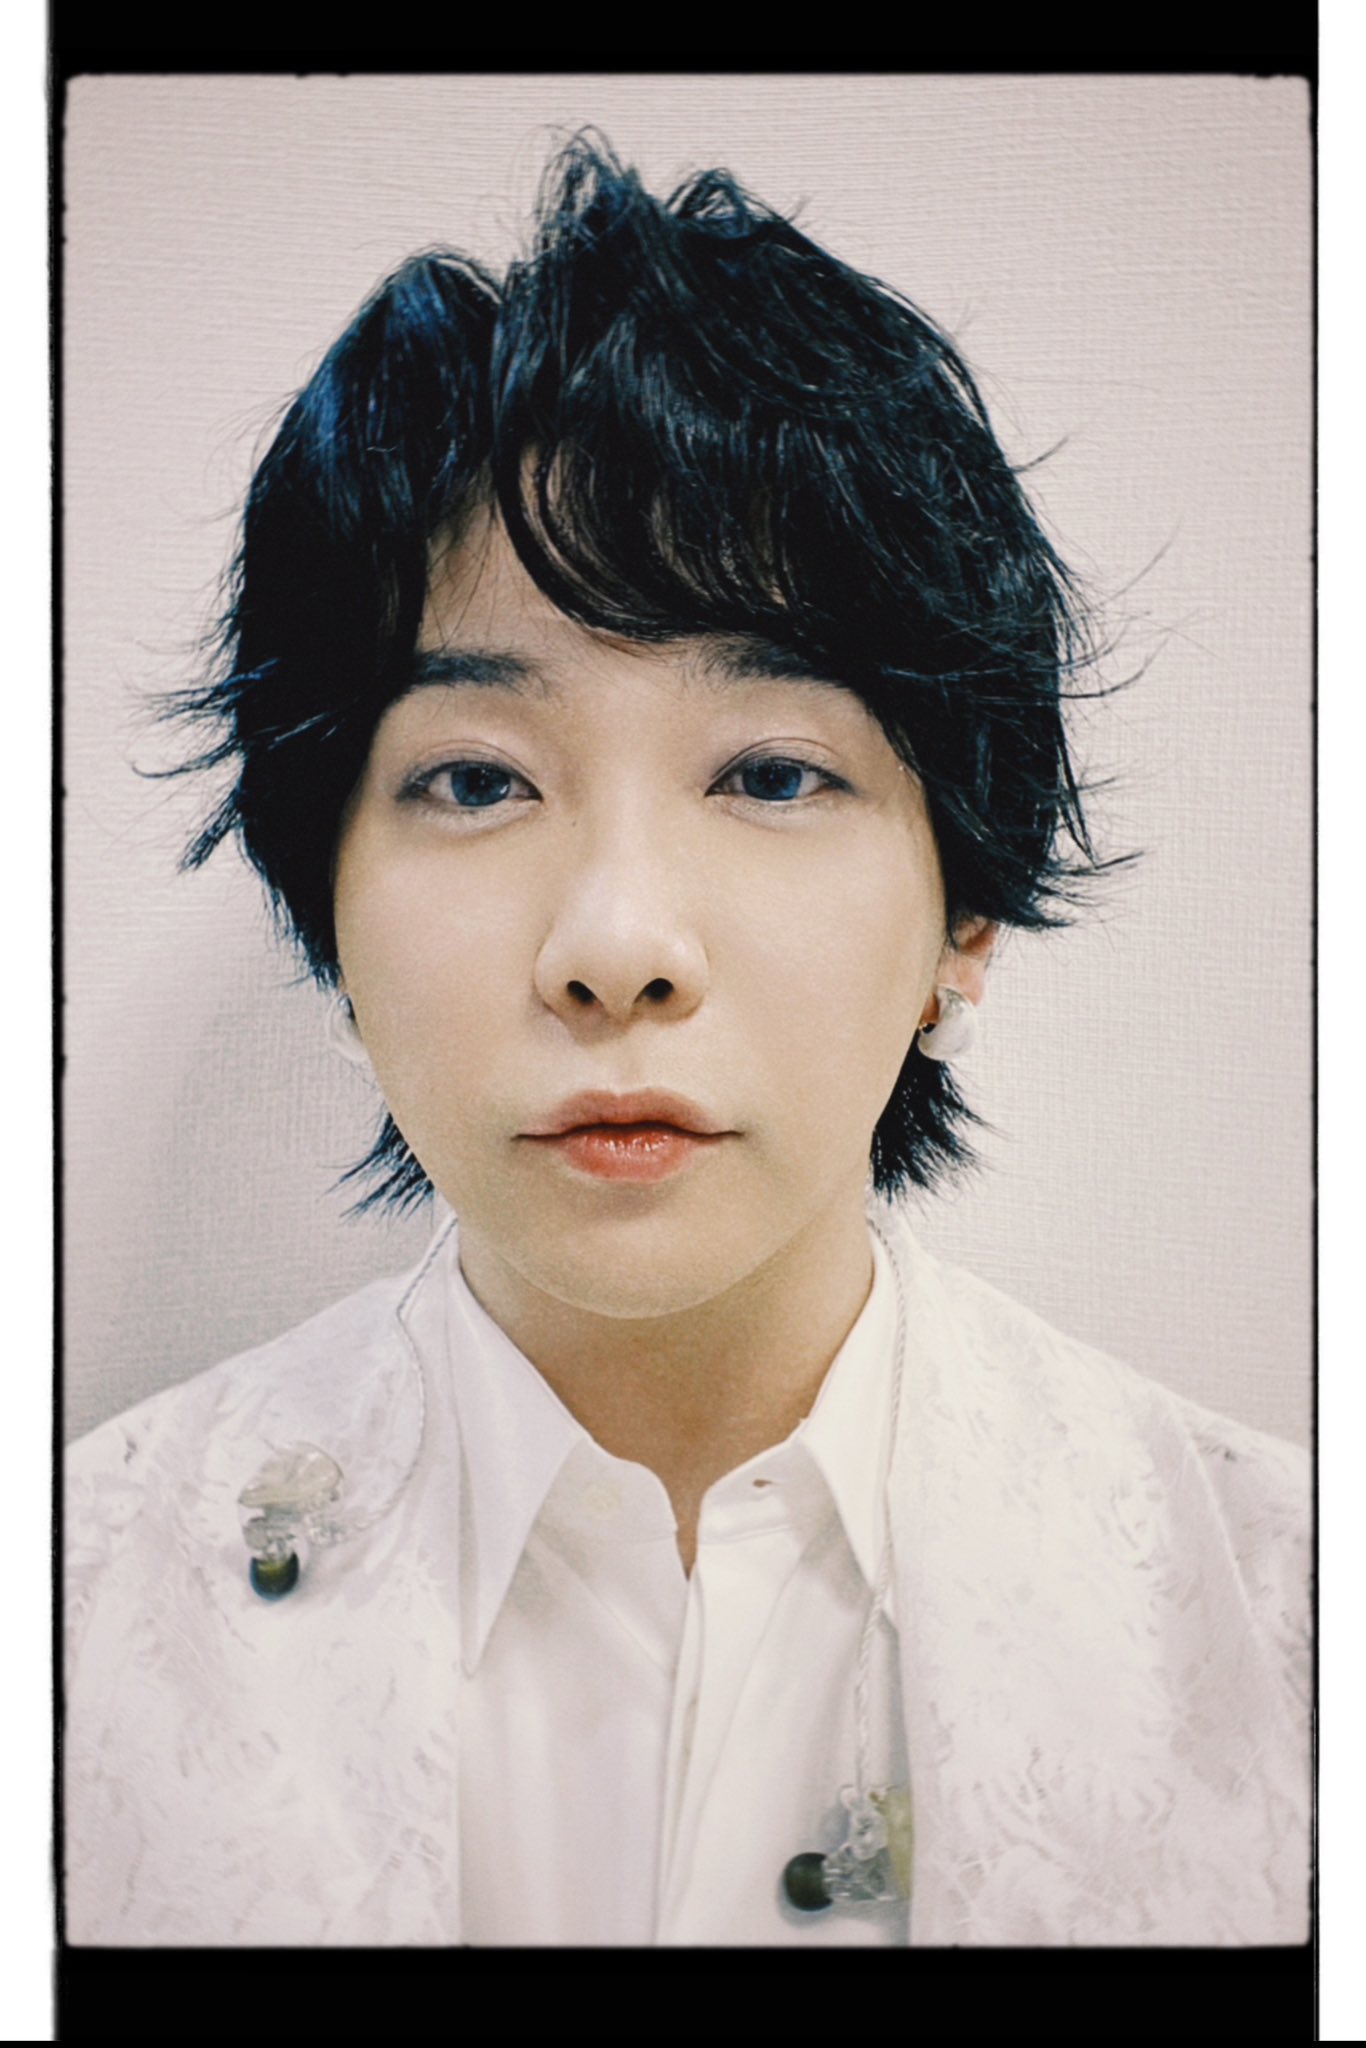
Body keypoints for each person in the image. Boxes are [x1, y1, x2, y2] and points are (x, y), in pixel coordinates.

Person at [63, 135, 1309, 1948]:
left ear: (962, 921)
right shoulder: (76, 1616)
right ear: (328, 917)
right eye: (475, 780)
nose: (616, 949)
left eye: (773, 773)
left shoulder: (1282, 1627)